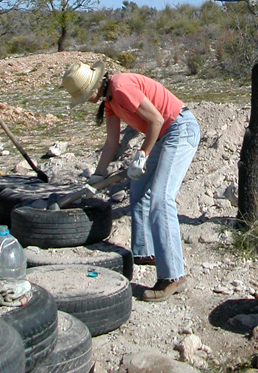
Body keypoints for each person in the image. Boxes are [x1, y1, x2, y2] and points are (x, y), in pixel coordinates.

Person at [61, 60, 200, 302]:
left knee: (160, 198)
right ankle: (144, 251)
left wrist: (142, 155)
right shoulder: (110, 102)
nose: (87, 101)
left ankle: (173, 276)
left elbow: (156, 120)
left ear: (94, 86)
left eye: (85, 96)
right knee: (139, 190)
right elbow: (112, 141)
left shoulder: (121, 86)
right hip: (162, 136)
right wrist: (97, 176)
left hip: (179, 129)